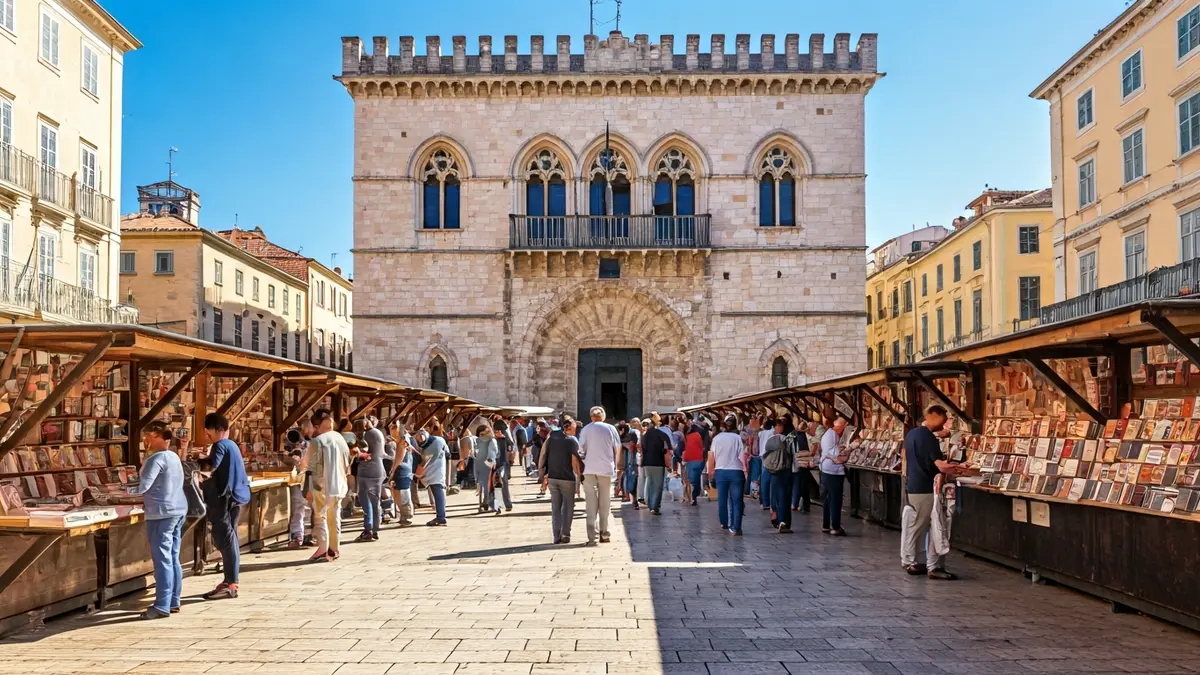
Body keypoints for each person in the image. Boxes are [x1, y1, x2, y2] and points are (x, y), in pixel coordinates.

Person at [130, 421, 188, 619]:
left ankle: (162, 605)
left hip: (161, 513)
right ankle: (174, 600)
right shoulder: (173, 456)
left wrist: (120, 492)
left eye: (147, 436)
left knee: (162, 559)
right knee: (173, 556)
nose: (145, 440)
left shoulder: (156, 459)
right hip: (177, 510)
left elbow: (143, 487)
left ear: (157, 437)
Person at [902, 405, 964, 580]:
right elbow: (940, 465)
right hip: (926, 487)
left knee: (916, 525)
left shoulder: (912, 434)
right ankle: (929, 565)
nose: (943, 425)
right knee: (935, 526)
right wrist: (959, 468)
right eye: (943, 419)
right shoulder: (928, 437)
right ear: (933, 415)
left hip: (914, 485)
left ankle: (913, 561)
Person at [197, 413, 250, 599]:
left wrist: (197, 466)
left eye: (208, 432)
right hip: (235, 497)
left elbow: (211, 468)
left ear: (218, 430)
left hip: (223, 500)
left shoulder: (219, 446)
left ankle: (231, 583)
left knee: (226, 540)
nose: (207, 436)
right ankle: (230, 581)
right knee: (231, 538)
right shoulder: (232, 445)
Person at [307, 409, 351, 562]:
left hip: (322, 486)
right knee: (335, 517)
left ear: (318, 426)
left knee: (321, 518)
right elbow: (347, 463)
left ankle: (322, 549)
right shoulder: (340, 439)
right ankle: (334, 549)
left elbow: (312, 467)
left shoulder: (317, 441)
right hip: (339, 485)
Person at [579, 406, 620, 546]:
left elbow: (581, 450)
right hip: (606, 469)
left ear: (591, 417)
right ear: (603, 416)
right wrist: (616, 465)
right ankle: (604, 533)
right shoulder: (610, 428)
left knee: (590, 503)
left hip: (589, 469)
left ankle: (592, 536)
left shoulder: (585, 429)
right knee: (605, 502)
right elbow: (617, 448)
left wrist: (584, 463)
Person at [539, 414, 583, 544]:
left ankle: (556, 535)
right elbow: (575, 461)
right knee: (568, 507)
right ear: (571, 427)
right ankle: (565, 534)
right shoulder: (572, 441)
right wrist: (579, 478)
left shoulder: (552, 437)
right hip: (567, 478)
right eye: (574, 428)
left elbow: (543, 455)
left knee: (556, 508)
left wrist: (543, 474)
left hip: (553, 477)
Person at [355, 416, 393, 542]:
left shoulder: (365, 435)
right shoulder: (378, 433)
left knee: (366, 502)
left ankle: (368, 529)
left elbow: (366, 454)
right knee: (375, 502)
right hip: (379, 469)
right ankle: (375, 529)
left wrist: (356, 453)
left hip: (367, 471)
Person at [707, 415, 747, 535]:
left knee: (722, 499)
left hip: (721, 471)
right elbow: (742, 456)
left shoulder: (716, 438)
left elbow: (711, 456)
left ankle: (724, 523)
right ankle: (736, 527)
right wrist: (745, 470)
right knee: (737, 500)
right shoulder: (737, 438)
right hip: (736, 471)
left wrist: (710, 472)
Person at [819, 417, 849, 536]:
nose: (843, 430)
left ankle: (826, 525)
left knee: (828, 498)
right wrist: (848, 451)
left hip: (827, 470)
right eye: (843, 427)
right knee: (835, 499)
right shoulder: (832, 435)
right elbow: (836, 455)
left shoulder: (830, 434)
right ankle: (835, 526)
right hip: (832, 471)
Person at [416, 423, 451, 525]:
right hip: (441, 469)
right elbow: (448, 454)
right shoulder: (440, 440)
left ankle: (441, 517)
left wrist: (417, 476)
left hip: (433, 473)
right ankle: (441, 516)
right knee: (439, 493)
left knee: (438, 493)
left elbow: (422, 464)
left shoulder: (428, 450)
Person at [763, 418, 794, 533]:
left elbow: (765, 452)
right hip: (784, 470)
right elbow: (791, 453)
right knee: (784, 496)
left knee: (774, 495)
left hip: (772, 470)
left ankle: (775, 517)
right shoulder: (784, 439)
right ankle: (783, 522)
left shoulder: (768, 438)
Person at [640, 414, 672, 516]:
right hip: (658, 462)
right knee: (658, 486)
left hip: (647, 463)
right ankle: (655, 507)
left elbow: (642, 450)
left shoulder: (644, 436)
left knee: (649, 484)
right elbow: (669, 448)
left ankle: (650, 505)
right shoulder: (661, 434)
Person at [386, 423, 414, 526]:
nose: (391, 429)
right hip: (402, 470)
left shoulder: (403, 440)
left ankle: (407, 516)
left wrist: (393, 468)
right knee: (399, 494)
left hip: (403, 470)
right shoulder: (399, 440)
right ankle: (404, 515)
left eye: (394, 427)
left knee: (403, 495)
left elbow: (400, 455)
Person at [790, 419, 820, 513]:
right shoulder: (801, 435)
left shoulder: (803, 436)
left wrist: (809, 455)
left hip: (803, 463)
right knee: (803, 484)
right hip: (802, 463)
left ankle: (802, 505)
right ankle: (804, 505)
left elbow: (813, 449)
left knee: (802, 484)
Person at [472, 424, 498, 512]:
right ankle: (486, 502)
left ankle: (491, 504)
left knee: (489, 486)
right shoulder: (476, 441)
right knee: (483, 485)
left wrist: (489, 463)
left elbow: (492, 453)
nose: (489, 433)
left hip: (488, 466)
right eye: (486, 432)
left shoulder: (492, 441)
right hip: (479, 466)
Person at [492, 420, 515, 513]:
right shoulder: (491, 439)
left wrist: (504, 438)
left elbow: (511, 446)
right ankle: (497, 506)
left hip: (503, 464)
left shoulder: (504, 439)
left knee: (504, 484)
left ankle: (507, 504)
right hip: (494, 464)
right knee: (495, 486)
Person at [681, 420, 706, 506]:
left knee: (691, 480)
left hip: (689, 460)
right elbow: (701, 446)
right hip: (699, 459)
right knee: (696, 478)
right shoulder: (698, 435)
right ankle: (694, 496)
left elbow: (684, 448)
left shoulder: (686, 437)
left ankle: (693, 497)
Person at [758, 418, 778, 511]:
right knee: (768, 481)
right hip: (769, 457)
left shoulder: (761, 433)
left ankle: (764, 502)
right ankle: (768, 503)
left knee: (764, 481)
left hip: (762, 457)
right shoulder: (771, 432)